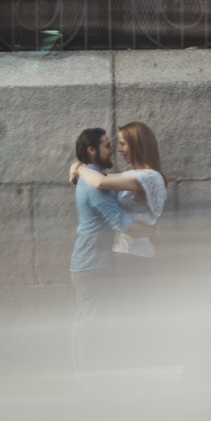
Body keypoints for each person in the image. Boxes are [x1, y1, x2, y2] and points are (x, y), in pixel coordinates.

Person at [69, 127, 157, 373]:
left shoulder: (90, 177)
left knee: (85, 324)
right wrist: (152, 231)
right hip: (94, 265)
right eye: (108, 146)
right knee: (90, 327)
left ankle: (84, 384)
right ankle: (88, 387)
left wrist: (78, 167)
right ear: (92, 150)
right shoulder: (96, 185)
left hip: (87, 263)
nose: (113, 151)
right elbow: (123, 224)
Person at [69, 121, 167, 282]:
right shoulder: (134, 175)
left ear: (137, 145)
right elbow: (101, 179)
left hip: (133, 255)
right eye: (112, 145)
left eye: (122, 144)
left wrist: (79, 168)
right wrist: (79, 167)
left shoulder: (149, 177)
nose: (118, 150)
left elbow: (101, 181)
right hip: (125, 255)